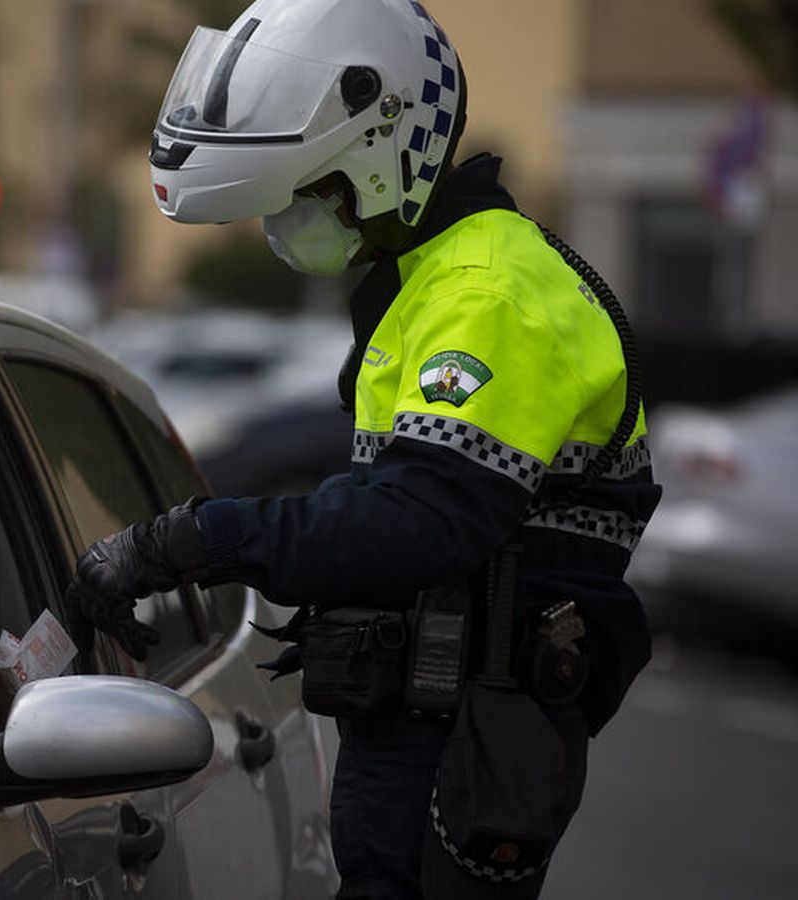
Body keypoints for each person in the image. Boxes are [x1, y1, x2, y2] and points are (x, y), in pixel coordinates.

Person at [69, 2, 661, 898]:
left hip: (461, 740)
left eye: (305, 194)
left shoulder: (489, 292)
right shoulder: (432, 279)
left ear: (381, 155)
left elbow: (417, 522)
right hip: (429, 724)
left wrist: (184, 543)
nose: (284, 224)